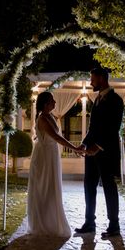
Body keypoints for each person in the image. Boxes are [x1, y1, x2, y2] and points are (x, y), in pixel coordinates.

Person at [75, 67, 125, 238]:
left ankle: (114, 225)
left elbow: (113, 128)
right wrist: (84, 144)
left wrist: (98, 146)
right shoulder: (96, 99)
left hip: (106, 152)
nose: (90, 83)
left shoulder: (116, 100)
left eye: (93, 79)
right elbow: (93, 128)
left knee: (109, 187)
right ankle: (89, 222)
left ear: (102, 78)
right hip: (91, 153)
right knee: (89, 185)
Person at [27, 91, 83, 237]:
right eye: (52, 101)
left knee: (51, 188)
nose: (55, 103)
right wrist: (74, 148)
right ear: (46, 104)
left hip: (51, 155)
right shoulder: (42, 119)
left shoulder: (50, 116)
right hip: (44, 158)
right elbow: (57, 137)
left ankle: (51, 221)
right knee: (44, 188)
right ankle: (43, 224)